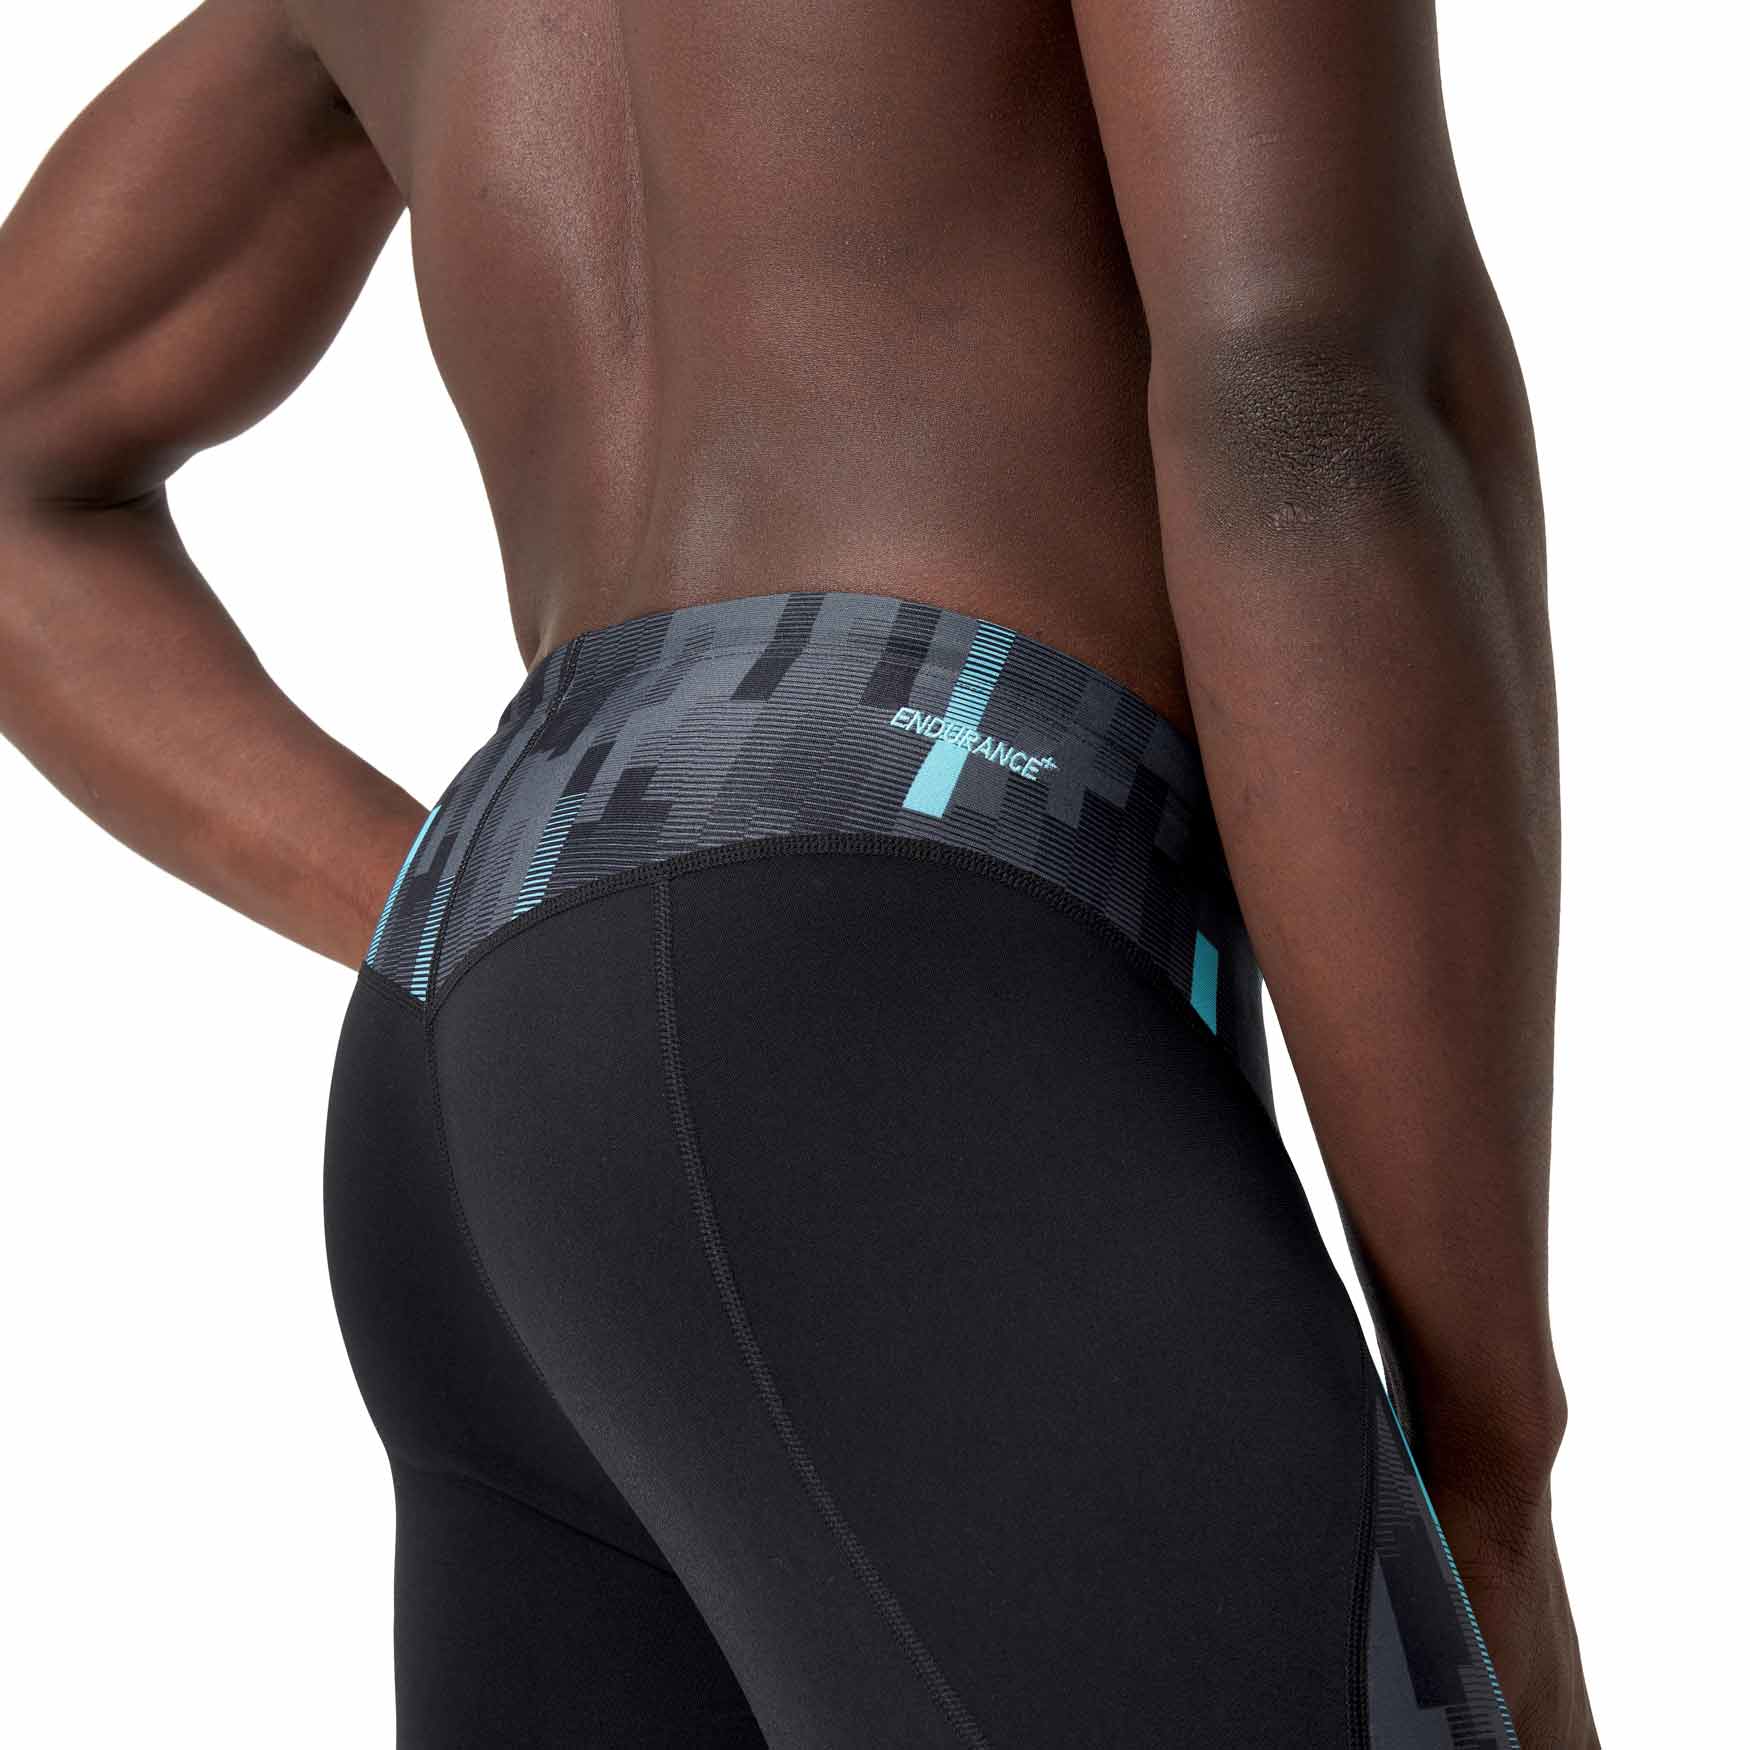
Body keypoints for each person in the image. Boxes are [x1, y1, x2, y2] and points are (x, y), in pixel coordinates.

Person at [0, 2, 1601, 1745]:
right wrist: (1485, 1434)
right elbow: (1306, 410)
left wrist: (493, 904)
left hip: (502, 1044)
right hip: (895, 1010)